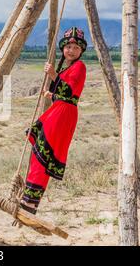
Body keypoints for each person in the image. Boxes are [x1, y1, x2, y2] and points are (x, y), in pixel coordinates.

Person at [21, 27, 88, 214]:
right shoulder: (66, 67)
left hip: (63, 114)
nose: (71, 50)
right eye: (68, 47)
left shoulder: (79, 67)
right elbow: (62, 93)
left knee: (43, 154)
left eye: (75, 48)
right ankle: (29, 198)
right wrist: (51, 93)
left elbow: (69, 92)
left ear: (81, 50)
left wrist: (52, 75)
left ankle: (31, 202)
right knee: (39, 151)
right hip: (58, 111)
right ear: (63, 49)